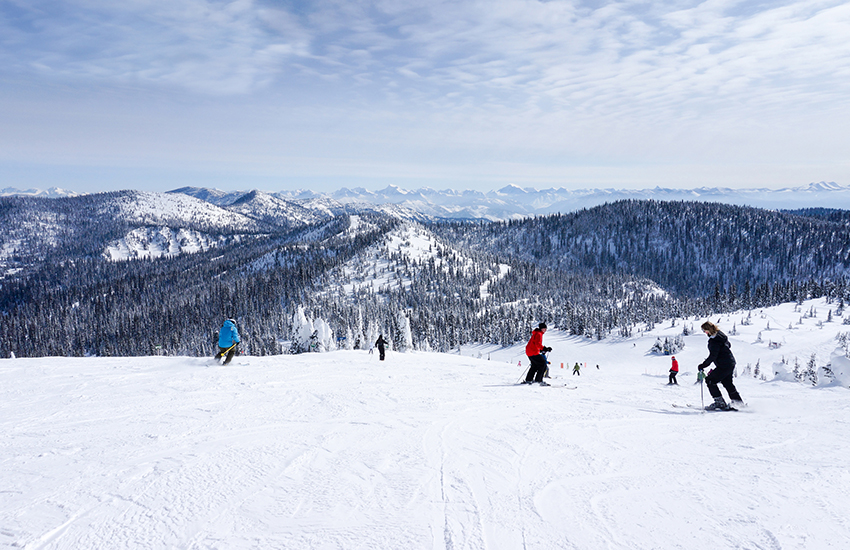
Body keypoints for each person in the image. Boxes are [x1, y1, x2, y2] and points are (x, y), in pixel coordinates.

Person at [698, 321, 744, 410]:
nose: (704, 333)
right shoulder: (721, 336)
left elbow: (713, 355)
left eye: (704, 331)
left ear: (708, 330)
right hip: (730, 363)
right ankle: (739, 403)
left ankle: (719, 403)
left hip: (724, 365)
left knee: (710, 380)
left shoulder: (714, 341)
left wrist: (703, 365)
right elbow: (728, 345)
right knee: (727, 383)